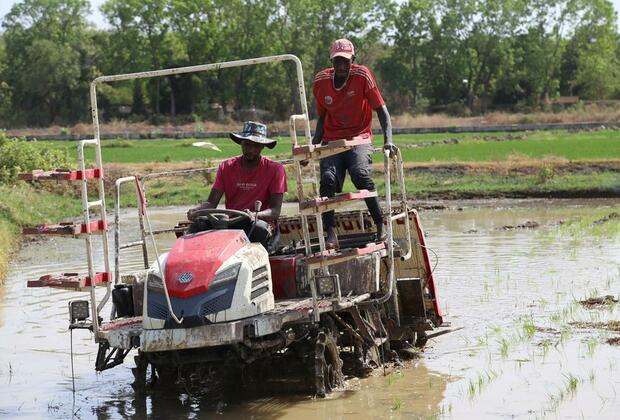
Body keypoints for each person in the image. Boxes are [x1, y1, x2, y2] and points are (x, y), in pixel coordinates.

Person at [312, 38, 397, 249]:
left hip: (359, 137)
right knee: (328, 181)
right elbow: (322, 118)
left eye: (345, 61)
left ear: (353, 60)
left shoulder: (362, 75)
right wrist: (314, 145)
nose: (341, 66)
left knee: (360, 174)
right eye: (337, 61)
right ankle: (331, 233)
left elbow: (382, 111)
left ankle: (380, 224)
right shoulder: (321, 81)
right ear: (331, 62)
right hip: (332, 139)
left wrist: (388, 141)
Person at [187, 121, 287, 251]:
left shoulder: (275, 169)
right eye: (246, 144)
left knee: (259, 229)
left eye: (255, 145)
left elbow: (275, 211)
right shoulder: (226, 167)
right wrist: (196, 210)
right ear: (241, 144)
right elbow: (211, 203)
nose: (250, 149)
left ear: (262, 147)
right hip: (231, 223)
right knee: (197, 226)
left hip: (256, 222)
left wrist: (255, 214)